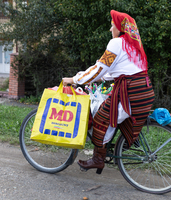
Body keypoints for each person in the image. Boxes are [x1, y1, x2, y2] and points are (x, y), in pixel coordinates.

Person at [62, 10, 155, 174]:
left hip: (130, 94)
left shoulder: (117, 43)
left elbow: (99, 69)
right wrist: (96, 77)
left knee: (101, 117)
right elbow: (117, 71)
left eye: (112, 26)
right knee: (110, 113)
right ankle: (119, 145)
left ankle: (98, 159)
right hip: (143, 92)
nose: (110, 29)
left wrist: (74, 80)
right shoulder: (133, 45)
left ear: (119, 28)